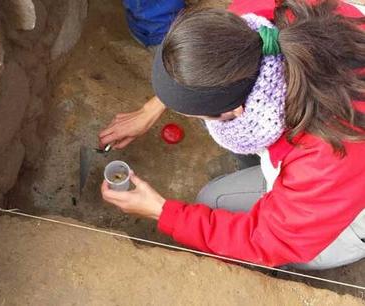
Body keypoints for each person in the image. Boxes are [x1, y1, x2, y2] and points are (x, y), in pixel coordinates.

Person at [99, 0, 365, 270]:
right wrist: (149, 110)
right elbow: (206, 66)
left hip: (351, 213)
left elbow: (269, 240)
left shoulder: (326, 153)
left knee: (212, 201)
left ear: (237, 111)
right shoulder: (251, 23)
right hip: (336, 172)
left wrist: (160, 211)